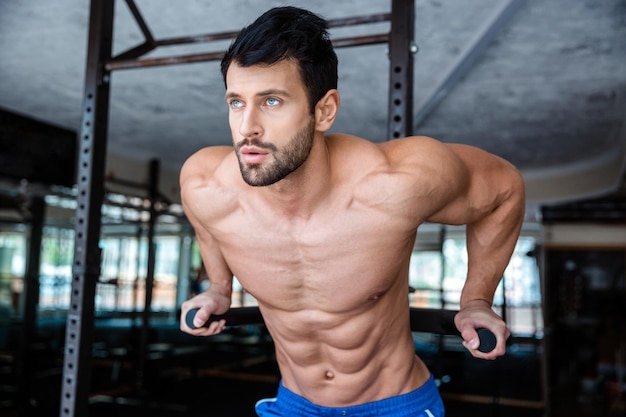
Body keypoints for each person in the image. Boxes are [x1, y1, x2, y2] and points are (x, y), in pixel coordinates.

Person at [179, 6, 525, 417]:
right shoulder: (206, 185)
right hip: (294, 404)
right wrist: (220, 287)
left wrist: (476, 299)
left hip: (397, 404)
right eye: (237, 102)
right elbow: (206, 225)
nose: (247, 127)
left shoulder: (395, 183)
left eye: (271, 101)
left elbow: (504, 189)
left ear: (324, 110)